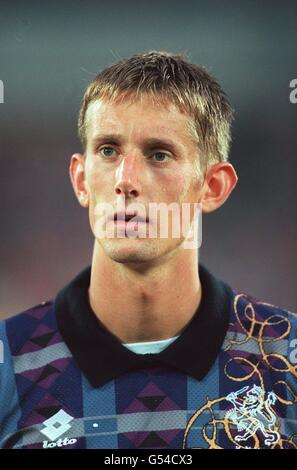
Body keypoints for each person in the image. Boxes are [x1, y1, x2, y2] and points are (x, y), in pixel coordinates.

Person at [0, 51, 296, 450]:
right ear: (81, 180)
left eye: (159, 154)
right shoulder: (6, 366)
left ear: (213, 187)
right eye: (108, 150)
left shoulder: (287, 358)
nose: (126, 180)